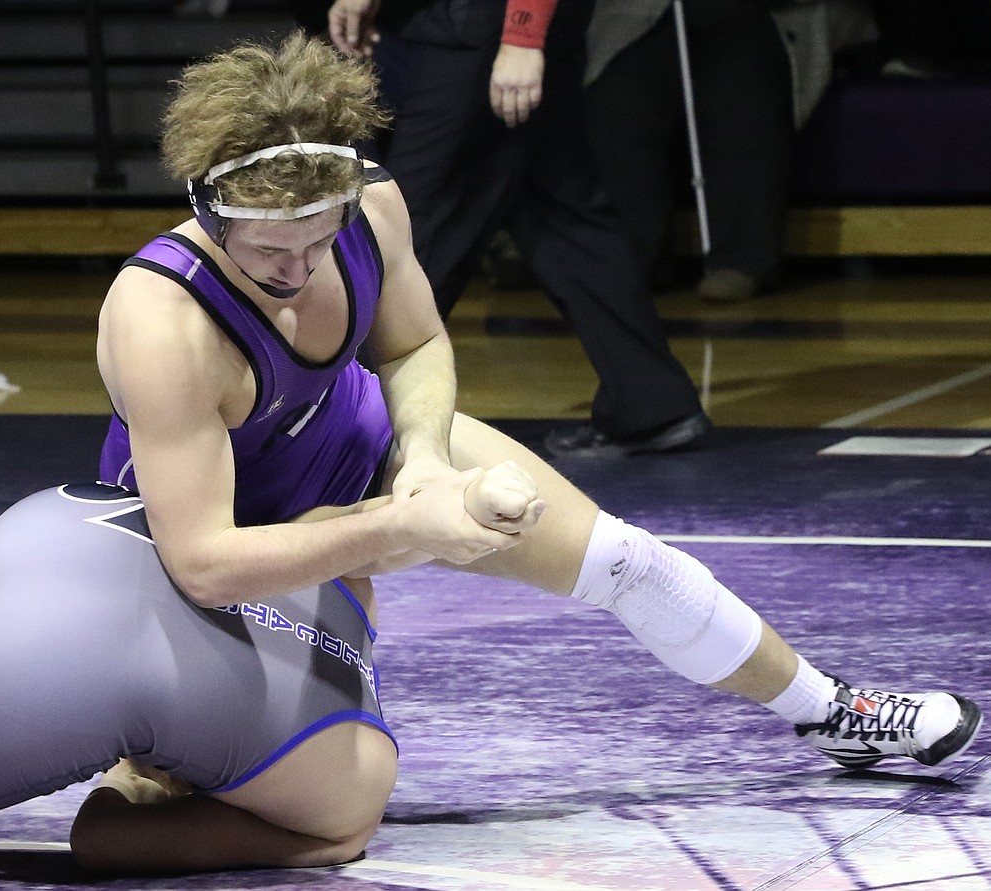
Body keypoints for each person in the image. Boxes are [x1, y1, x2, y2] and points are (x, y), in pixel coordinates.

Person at [94, 28, 982, 789]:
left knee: (627, 560)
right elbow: (206, 562)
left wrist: (427, 460)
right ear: (210, 206)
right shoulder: (160, 316)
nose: (294, 270)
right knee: (172, 799)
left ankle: (829, 710)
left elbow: (412, 345)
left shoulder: (373, 206)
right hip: (204, 524)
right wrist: (400, 525)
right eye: (267, 251)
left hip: (345, 441)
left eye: (316, 244)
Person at [0, 465, 537, 873]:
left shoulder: (345, 585)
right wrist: (124, 774)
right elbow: (101, 838)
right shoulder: (344, 808)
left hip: (59, 525)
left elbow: (359, 525)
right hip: (68, 671)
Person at [327, 0, 712, 456]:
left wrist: (522, 37)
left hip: (490, 31)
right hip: (503, 30)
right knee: (561, 214)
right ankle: (652, 404)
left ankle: (345, 424)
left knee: (411, 222)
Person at [583, 0, 795, 302]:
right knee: (621, 101)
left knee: (744, 96)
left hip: (761, 13)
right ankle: (630, 258)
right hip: (635, 14)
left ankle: (743, 258)